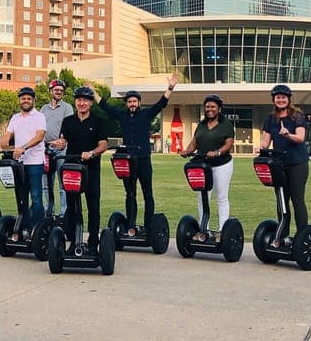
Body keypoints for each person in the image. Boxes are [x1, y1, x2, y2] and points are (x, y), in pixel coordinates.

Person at [95, 74, 178, 235]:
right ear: (126, 104)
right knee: (130, 194)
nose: (132, 104)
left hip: (144, 160)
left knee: (148, 194)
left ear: (139, 103)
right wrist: (93, 93)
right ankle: (131, 225)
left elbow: (161, 103)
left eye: (134, 101)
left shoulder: (146, 114)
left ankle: (148, 226)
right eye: (129, 101)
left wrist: (170, 87)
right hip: (128, 162)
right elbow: (105, 106)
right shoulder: (122, 115)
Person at [51, 86, 108, 252]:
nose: (81, 103)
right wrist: (60, 144)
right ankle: (74, 240)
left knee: (93, 205)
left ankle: (93, 241)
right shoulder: (68, 121)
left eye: (85, 100)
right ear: (75, 102)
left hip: (91, 169)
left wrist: (92, 153)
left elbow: (103, 144)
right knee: (72, 206)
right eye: (79, 100)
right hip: (72, 168)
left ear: (90, 103)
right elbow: (63, 140)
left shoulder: (98, 121)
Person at [258, 84, 309, 247]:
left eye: (283, 97)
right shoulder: (270, 118)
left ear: (288, 99)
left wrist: (287, 134)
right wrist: (261, 147)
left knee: (297, 200)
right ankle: (283, 235)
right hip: (279, 165)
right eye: (278, 97)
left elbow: (300, 138)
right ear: (273, 100)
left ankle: (301, 237)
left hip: (297, 163)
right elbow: (266, 140)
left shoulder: (297, 116)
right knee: (281, 200)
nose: (281, 100)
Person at [180, 94, 235, 241]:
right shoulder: (202, 124)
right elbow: (194, 142)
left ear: (219, 109)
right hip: (203, 166)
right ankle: (204, 230)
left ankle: (222, 231)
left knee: (221, 197)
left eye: (213, 107)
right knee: (202, 197)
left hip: (222, 165)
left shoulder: (226, 124)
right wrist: (187, 151)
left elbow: (229, 144)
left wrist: (217, 152)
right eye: (207, 107)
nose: (209, 109)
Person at [0, 87, 46, 237]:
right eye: (23, 98)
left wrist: (23, 147)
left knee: (36, 197)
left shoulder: (39, 116)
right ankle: (25, 228)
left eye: (29, 98)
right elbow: (7, 135)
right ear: (19, 101)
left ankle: (37, 230)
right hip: (19, 164)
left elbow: (40, 136)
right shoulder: (15, 118)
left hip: (35, 162)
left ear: (33, 101)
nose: (26, 101)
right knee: (21, 197)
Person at [40, 79, 73, 216]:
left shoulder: (67, 107)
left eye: (61, 90)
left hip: (61, 149)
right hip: (45, 149)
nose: (59, 92)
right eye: (56, 90)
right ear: (50, 91)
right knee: (46, 183)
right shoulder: (44, 108)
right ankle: (49, 210)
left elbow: (69, 126)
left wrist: (62, 140)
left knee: (62, 183)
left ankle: (63, 213)